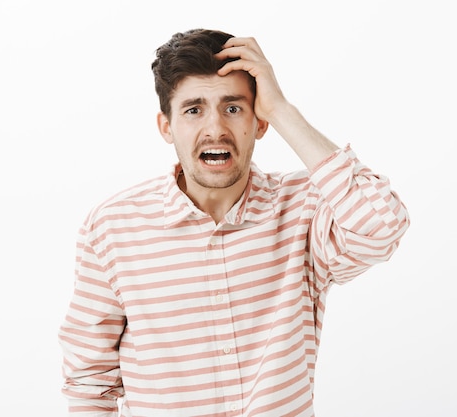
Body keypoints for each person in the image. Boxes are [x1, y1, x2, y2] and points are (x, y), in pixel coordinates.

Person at [58, 28, 410, 416]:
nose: (216, 129)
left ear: (259, 123)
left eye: (233, 108)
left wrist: (281, 110)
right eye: (194, 110)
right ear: (166, 126)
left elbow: (382, 225)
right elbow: (90, 384)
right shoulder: (112, 227)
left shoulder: (304, 209)